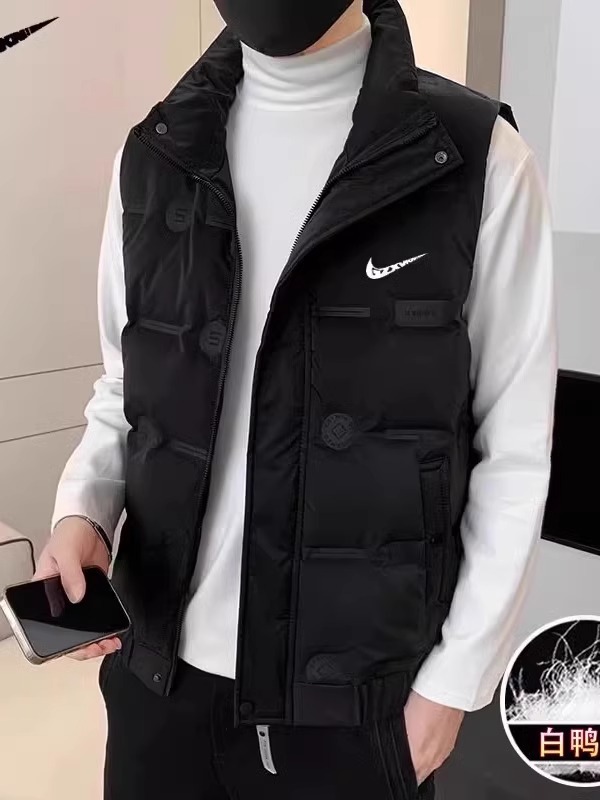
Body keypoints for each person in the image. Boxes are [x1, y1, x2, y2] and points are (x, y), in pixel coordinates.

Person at [35, 0, 558, 797]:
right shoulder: (155, 151)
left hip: (352, 715)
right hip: (158, 688)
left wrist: (454, 685)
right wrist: (83, 512)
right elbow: (126, 386)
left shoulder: (476, 157)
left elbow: (514, 453)